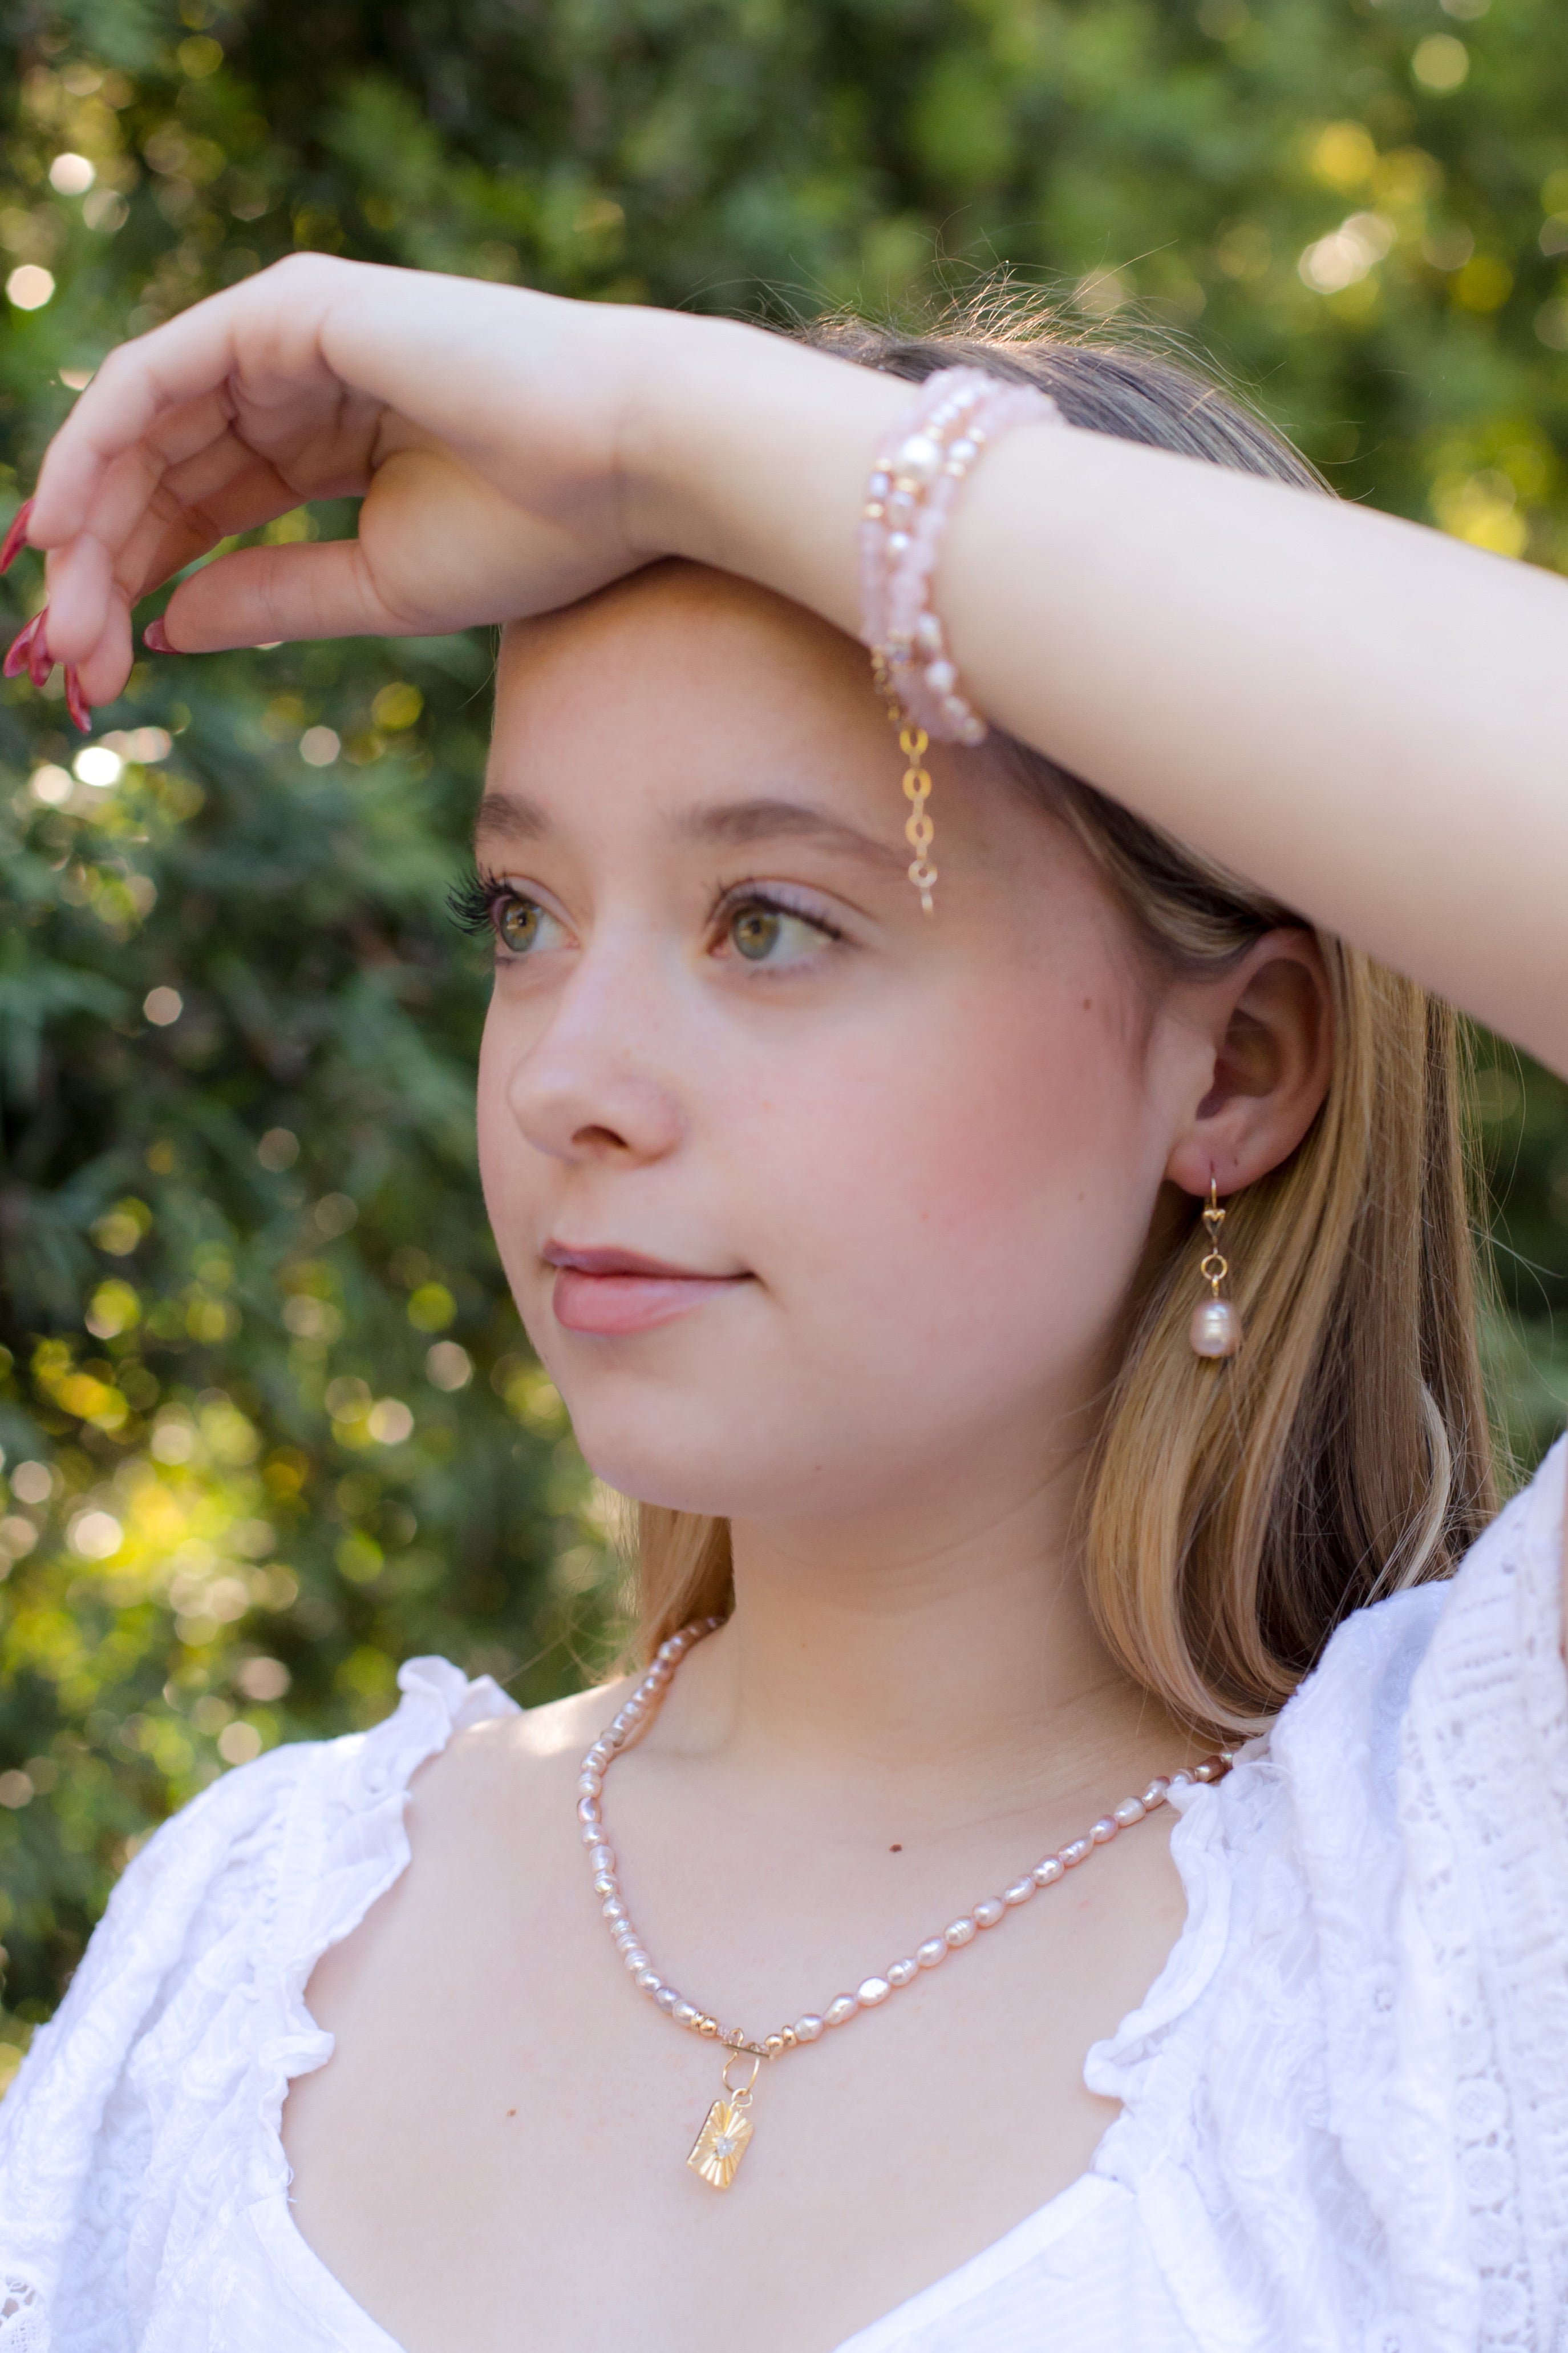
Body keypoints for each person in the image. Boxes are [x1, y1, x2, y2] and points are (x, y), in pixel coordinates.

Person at [0, 258, 1565, 2353]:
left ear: (1239, 1065)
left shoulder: (1466, 1907)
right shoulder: (250, 1933)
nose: (566, 1076)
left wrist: (691, 432)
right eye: (523, 915)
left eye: (770, 920)